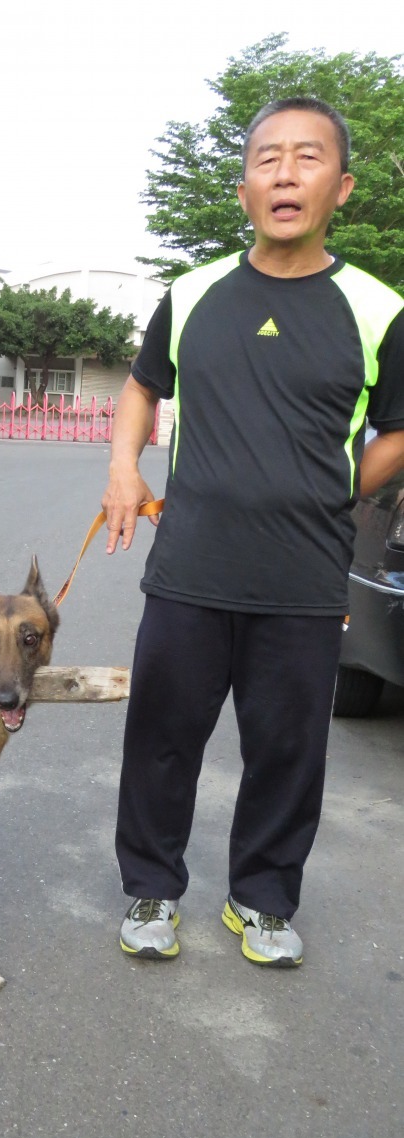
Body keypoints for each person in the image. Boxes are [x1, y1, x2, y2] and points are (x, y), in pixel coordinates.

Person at [101, 96, 404, 967]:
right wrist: (125, 466)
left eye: (307, 158)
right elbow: (140, 386)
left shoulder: (376, 309)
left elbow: (400, 427)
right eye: (267, 157)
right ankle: (152, 892)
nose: (284, 172)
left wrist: (342, 482)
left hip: (304, 579)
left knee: (287, 751)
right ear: (244, 189)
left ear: (339, 187)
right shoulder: (192, 294)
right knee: (161, 740)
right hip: (190, 566)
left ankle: (261, 903)